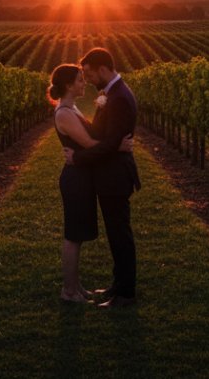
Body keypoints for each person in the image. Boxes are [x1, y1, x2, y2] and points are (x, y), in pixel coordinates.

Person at [48, 63, 133, 304]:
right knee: (73, 234)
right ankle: (69, 291)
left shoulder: (71, 107)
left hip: (83, 175)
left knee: (79, 233)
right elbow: (87, 142)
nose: (84, 83)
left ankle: (77, 286)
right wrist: (118, 146)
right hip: (75, 178)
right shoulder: (64, 113)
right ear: (68, 85)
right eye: (79, 80)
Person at [64, 47, 141, 308]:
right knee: (116, 233)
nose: (89, 79)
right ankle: (118, 285)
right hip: (112, 175)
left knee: (120, 236)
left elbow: (109, 144)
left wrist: (77, 158)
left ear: (103, 69)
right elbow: (102, 134)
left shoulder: (118, 97)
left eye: (90, 73)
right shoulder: (112, 93)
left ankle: (126, 294)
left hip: (115, 177)